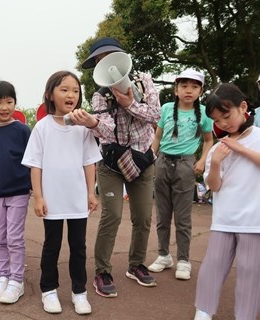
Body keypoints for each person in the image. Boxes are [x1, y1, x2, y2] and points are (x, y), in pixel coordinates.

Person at [76, 37, 161, 296]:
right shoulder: (100, 95)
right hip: (112, 164)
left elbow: (156, 115)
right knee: (111, 216)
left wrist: (130, 104)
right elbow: (107, 131)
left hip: (144, 161)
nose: (105, 63)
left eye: (109, 56)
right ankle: (102, 271)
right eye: (100, 60)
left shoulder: (145, 81)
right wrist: (92, 122)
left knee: (143, 218)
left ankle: (136, 265)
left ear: (122, 56)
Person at [22, 71, 102, 315]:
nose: (71, 95)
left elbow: (89, 162)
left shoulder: (83, 127)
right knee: (51, 245)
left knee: (78, 246)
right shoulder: (42, 127)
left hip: (77, 197)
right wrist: (38, 196)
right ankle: (49, 290)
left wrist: (91, 193)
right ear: (50, 94)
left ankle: (80, 293)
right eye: (64, 89)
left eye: (75, 90)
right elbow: (36, 164)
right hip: (52, 199)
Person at [194, 83, 260, 320]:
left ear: (243, 107)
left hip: (254, 221)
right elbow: (213, 186)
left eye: (227, 115)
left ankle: (246, 315)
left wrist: (238, 148)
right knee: (213, 267)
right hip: (224, 219)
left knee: (251, 272)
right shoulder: (217, 149)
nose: (223, 123)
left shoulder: (257, 137)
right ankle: (203, 312)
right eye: (217, 120)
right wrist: (217, 162)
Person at [148, 69, 213, 280]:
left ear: (201, 91)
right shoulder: (167, 108)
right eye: (184, 86)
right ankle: (164, 255)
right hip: (163, 162)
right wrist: (152, 157)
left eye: (194, 87)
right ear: (176, 89)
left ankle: (184, 260)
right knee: (162, 215)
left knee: (183, 218)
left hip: (186, 164)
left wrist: (202, 160)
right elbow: (157, 137)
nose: (189, 91)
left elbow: (208, 140)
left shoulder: (204, 113)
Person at [0, 81, 31, 304]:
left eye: (9, 102)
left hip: (19, 191)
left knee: (14, 237)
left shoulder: (23, 130)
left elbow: (33, 161)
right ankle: (2, 276)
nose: (4, 107)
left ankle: (17, 280)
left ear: (15, 103)